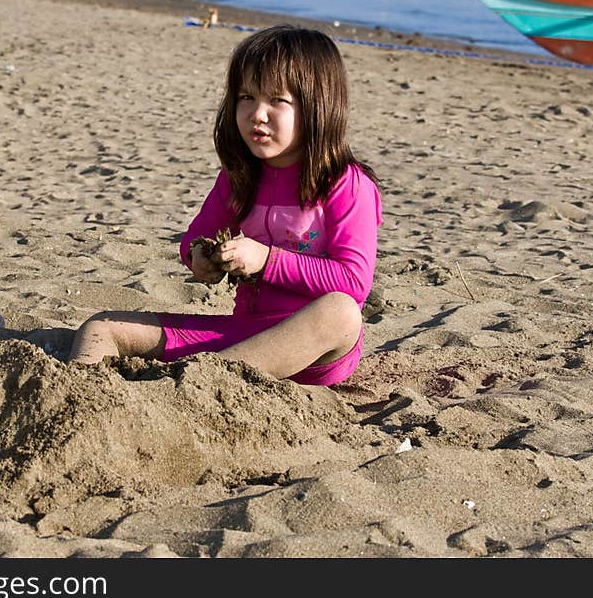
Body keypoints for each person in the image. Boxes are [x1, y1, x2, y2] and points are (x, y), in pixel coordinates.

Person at [69, 24, 383, 386]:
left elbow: (354, 281)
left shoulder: (345, 183)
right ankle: (79, 402)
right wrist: (200, 257)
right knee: (102, 327)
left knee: (342, 313)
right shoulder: (239, 177)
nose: (257, 113)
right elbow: (195, 239)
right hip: (241, 337)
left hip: (310, 348)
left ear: (317, 106)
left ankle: (197, 383)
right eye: (246, 97)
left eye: (277, 101)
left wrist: (266, 260)